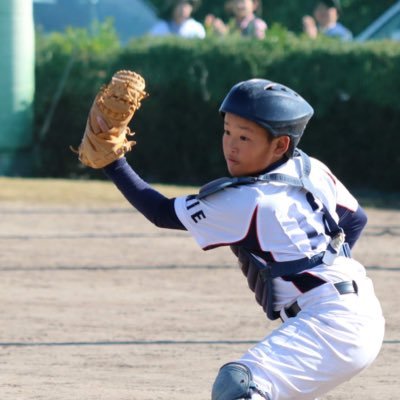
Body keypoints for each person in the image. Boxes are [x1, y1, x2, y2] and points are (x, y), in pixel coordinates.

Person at [101, 78, 384, 399]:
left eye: (245, 137)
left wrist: (114, 162)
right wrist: (319, 267)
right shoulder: (311, 169)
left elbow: (162, 213)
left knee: (238, 386)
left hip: (332, 326)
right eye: (227, 132)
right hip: (359, 313)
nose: (231, 146)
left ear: (280, 145)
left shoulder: (249, 199)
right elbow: (355, 219)